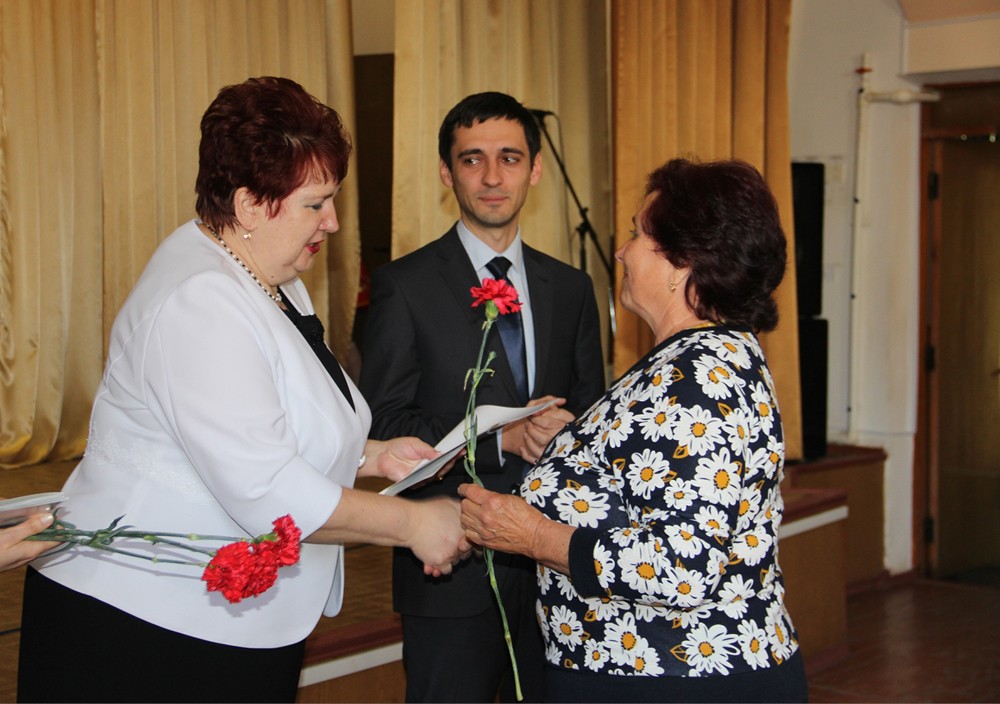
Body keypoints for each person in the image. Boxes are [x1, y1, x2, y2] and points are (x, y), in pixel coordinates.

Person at [17, 76, 470, 704]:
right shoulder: (199, 301)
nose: (333, 222)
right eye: (316, 204)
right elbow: (265, 487)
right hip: (142, 626)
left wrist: (372, 456)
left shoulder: (265, 272)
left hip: (220, 623)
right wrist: (413, 523)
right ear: (250, 204)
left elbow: (267, 425)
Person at [459, 158, 809, 703]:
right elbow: (651, 473)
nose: (621, 251)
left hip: (675, 678)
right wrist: (574, 446)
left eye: (637, 234)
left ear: (681, 262)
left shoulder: (697, 376)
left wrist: (534, 536)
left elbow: (682, 566)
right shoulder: (699, 358)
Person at [360, 91, 606, 703]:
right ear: (447, 173)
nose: (493, 177)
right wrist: (499, 440)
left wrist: (567, 432)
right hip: (451, 567)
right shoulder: (404, 286)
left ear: (535, 169)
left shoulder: (571, 287)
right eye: (472, 159)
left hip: (553, 569)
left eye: (509, 158)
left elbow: (592, 415)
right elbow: (385, 423)